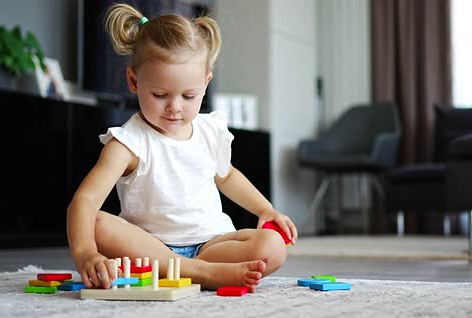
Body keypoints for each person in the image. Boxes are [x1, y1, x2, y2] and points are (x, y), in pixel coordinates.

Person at [66, 3, 298, 292]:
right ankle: (200, 273)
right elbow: (85, 202)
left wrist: (266, 209)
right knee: (99, 225)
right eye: (160, 94)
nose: (175, 108)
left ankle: (199, 268)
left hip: (211, 245)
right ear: (133, 81)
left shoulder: (208, 131)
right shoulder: (127, 143)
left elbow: (226, 176)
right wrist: (86, 253)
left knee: (273, 246)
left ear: (205, 83)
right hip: (152, 249)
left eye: (189, 95)